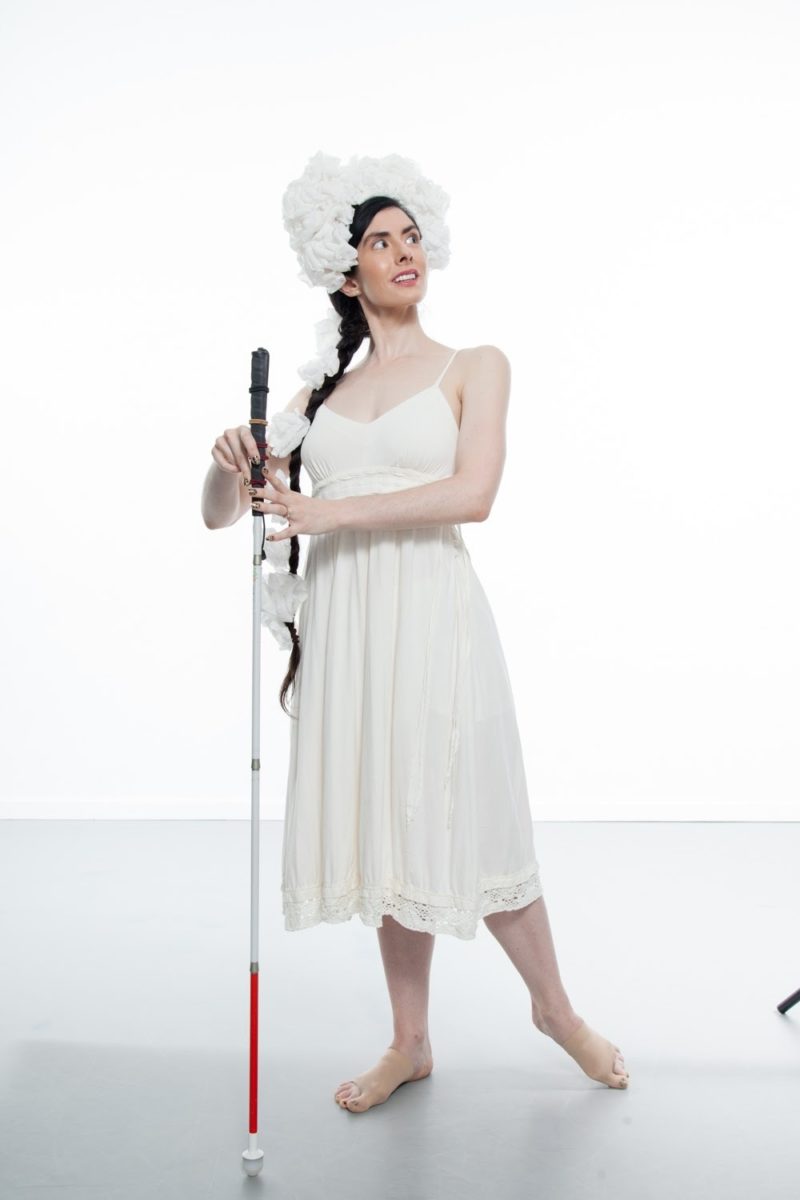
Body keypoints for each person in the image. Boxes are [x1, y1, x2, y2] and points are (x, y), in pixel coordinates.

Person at [201, 152, 629, 1113]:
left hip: (433, 617)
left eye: (412, 237)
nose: (406, 252)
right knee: (391, 830)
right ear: (344, 273)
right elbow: (222, 516)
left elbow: (473, 495)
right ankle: (410, 1040)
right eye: (380, 242)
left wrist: (328, 517)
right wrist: (230, 458)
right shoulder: (316, 402)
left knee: (474, 812)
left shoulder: (476, 366)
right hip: (352, 629)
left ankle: (555, 1010)